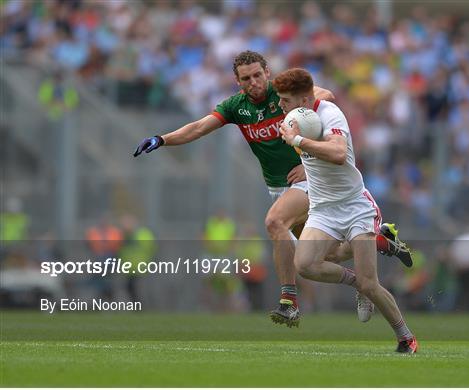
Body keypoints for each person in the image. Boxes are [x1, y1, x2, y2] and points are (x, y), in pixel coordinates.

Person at [134, 50, 412, 328]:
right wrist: (162, 139)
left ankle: (288, 301)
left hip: (307, 183)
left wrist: (307, 156)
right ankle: (376, 248)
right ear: (238, 81)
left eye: (257, 75)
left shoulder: (283, 94)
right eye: (246, 78)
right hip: (278, 188)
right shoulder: (235, 106)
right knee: (329, 254)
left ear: (267, 72)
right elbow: (198, 128)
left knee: (275, 221)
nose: (253, 82)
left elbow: (324, 95)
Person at [275, 67, 417, 353]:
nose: (280, 105)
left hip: (355, 207)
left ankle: (406, 338)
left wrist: (298, 142)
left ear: (303, 101)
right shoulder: (297, 114)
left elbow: (339, 154)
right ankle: (379, 243)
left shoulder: (330, 115)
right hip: (323, 208)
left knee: (369, 284)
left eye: (285, 100)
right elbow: (321, 93)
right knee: (305, 265)